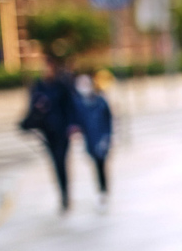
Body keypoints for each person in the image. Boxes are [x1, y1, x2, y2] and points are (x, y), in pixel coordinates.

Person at [20, 55, 77, 213]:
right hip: (47, 133)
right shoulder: (38, 87)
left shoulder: (61, 86)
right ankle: (63, 194)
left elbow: (70, 107)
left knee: (61, 162)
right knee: (55, 164)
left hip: (62, 132)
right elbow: (31, 109)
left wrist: (72, 126)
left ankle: (65, 193)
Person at [74, 72, 113, 209]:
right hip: (90, 141)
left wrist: (108, 137)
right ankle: (102, 191)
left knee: (101, 165)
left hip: (102, 139)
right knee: (97, 165)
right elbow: (76, 122)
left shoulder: (100, 101)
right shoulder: (79, 103)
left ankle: (103, 191)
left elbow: (109, 119)